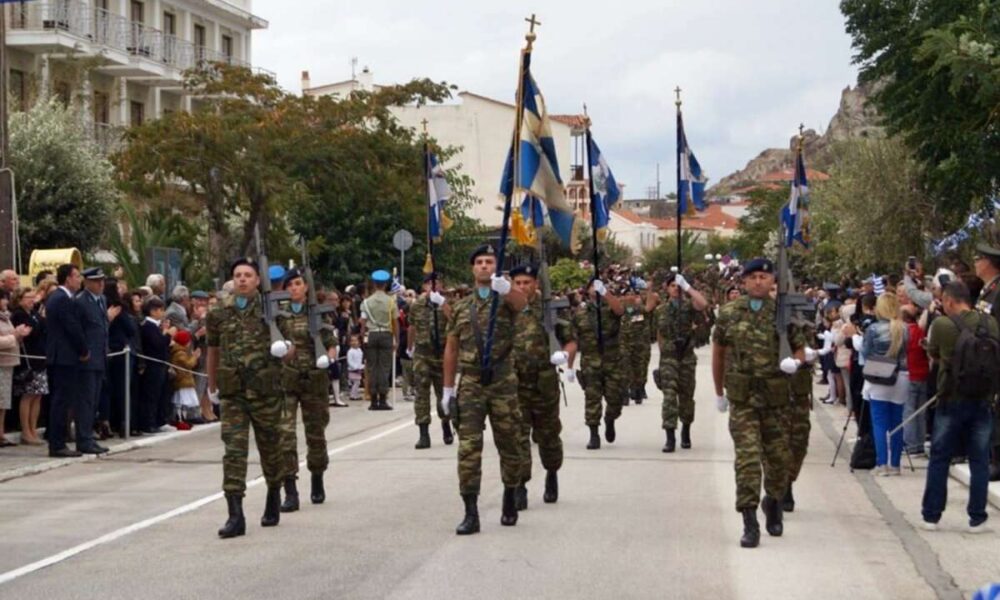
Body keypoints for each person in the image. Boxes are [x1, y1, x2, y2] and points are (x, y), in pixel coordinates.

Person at [712, 258, 805, 549]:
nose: (758, 282)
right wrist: (718, 392)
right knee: (748, 460)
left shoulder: (784, 314)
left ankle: (773, 501)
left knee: (779, 461)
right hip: (743, 400)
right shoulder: (728, 313)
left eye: (764, 277)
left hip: (776, 399)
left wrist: (795, 362)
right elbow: (719, 354)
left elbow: (802, 349)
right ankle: (749, 521)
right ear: (744, 281)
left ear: (772, 282)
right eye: (753, 277)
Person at [442, 244, 528, 535]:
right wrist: (447, 388)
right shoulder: (461, 307)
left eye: (489, 261)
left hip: (502, 382)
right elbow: (452, 347)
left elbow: (523, 305)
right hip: (471, 385)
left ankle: (509, 496)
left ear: (496, 266)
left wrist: (506, 289)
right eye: (478, 261)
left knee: (510, 442)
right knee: (468, 449)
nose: (483, 266)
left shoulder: (505, 298)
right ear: (472, 268)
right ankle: (470, 512)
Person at [207, 257, 290, 539]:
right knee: (234, 451)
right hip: (233, 394)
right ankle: (235, 514)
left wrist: (283, 349)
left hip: (265, 392)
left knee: (270, 447)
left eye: (248, 275)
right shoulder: (219, 312)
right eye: (238, 275)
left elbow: (290, 349)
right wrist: (212, 385)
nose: (242, 279)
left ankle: (272, 493)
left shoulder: (274, 312)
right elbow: (213, 350)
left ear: (257, 281)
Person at [921, 280, 1000, 532]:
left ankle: (932, 515)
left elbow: (933, 354)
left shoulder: (942, 324)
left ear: (950, 301)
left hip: (951, 398)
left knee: (940, 457)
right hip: (983, 400)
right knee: (979, 460)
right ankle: (977, 517)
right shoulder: (991, 323)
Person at [510, 263, 573, 508]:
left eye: (527, 282)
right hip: (515, 384)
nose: (523, 286)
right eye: (518, 283)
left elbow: (570, 341)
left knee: (548, 436)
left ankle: (552, 473)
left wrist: (564, 356)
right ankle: (520, 485)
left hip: (544, 384)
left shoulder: (550, 309)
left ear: (536, 284)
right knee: (518, 437)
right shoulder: (506, 308)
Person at [275, 268, 337, 512]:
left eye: (298, 284)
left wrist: (328, 359)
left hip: (314, 381)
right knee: (285, 435)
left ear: (306, 287)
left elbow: (332, 345)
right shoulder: (279, 315)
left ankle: (317, 478)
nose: (294, 288)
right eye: (290, 285)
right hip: (287, 382)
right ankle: (290, 489)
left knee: (316, 434)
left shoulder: (318, 314)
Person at [648, 272, 708, 452]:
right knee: (669, 396)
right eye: (673, 285)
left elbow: (703, 304)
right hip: (669, 358)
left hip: (687, 357)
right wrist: (663, 350)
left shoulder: (689, 306)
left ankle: (686, 430)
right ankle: (670, 436)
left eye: (678, 285)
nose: (676, 288)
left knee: (687, 398)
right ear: (667, 288)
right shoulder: (661, 310)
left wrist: (688, 288)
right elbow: (658, 333)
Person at [567, 277, 625, 450]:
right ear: (587, 290)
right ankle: (593, 434)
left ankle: (610, 419)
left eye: (598, 285)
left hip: (612, 361)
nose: (595, 288)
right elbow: (573, 340)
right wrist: (569, 366)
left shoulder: (611, 307)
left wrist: (606, 292)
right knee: (592, 399)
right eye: (592, 286)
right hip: (590, 362)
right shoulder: (580, 313)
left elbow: (620, 310)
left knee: (615, 399)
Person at [861, 293, 909, 476]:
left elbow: (866, 353)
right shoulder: (904, 328)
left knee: (879, 422)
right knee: (897, 421)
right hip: (902, 375)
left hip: (879, 375)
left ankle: (882, 463)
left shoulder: (873, 329)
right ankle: (896, 464)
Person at [45, 264, 89, 458]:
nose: (80, 280)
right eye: (77, 276)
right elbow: (72, 327)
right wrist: (83, 349)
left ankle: (58, 441)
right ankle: (57, 443)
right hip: (64, 356)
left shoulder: (59, 298)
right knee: (61, 401)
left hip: (61, 355)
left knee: (61, 400)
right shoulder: (62, 299)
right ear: (67, 279)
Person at [74, 267, 118, 452]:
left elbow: (102, 327)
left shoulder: (101, 300)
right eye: (97, 281)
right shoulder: (80, 302)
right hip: (87, 359)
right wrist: (83, 351)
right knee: (85, 400)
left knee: (94, 400)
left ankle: (89, 437)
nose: (101, 284)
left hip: (100, 357)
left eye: (102, 280)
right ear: (87, 282)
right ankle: (83, 439)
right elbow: (78, 331)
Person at [409, 272, 453, 449]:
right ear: (424, 287)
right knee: (421, 393)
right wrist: (409, 346)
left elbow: (455, 321)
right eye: (429, 284)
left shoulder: (447, 304)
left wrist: (443, 304)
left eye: (437, 284)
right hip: (422, 354)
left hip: (442, 354)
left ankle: (446, 423)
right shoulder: (417, 305)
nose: (433, 287)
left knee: (443, 394)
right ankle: (423, 433)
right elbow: (412, 325)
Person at [972, 243, 1000, 481]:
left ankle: (997, 460)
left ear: (989, 262)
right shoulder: (987, 290)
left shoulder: (998, 290)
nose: (975, 263)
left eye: (978, 259)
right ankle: (992, 456)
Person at [11, 287, 47, 445]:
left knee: (37, 395)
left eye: (33, 297)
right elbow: (31, 329)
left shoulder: (34, 313)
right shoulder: (19, 314)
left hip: (39, 359)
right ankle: (26, 430)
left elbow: (42, 327)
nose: (32, 300)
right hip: (28, 360)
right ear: (20, 299)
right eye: (28, 297)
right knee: (28, 395)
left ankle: (33, 429)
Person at [360, 270, 397, 410]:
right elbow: (395, 322)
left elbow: (363, 322)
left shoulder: (366, 302)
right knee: (384, 367)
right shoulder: (390, 302)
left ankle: (373, 399)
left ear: (374, 284)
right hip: (386, 334)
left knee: (372, 367)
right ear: (386, 284)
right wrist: (396, 339)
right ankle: (382, 398)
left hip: (371, 334)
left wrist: (363, 336)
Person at [0, 289, 33, 446]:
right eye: (3, 299)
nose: (6, 302)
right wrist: (14, 335)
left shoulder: (6, 317)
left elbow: (11, 337)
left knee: (4, 402)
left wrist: (19, 335)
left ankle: (1, 434)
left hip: (9, 362)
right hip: (1, 361)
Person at [138, 296, 174, 434]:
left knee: (159, 394)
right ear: (153, 311)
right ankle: (148, 423)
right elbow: (158, 344)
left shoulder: (155, 326)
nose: (162, 312)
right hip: (153, 364)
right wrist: (167, 334)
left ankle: (158, 420)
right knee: (151, 395)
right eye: (160, 310)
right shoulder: (148, 326)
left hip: (160, 364)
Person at [168, 329, 200, 429]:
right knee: (181, 402)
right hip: (182, 380)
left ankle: (183, 419)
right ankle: (180, 420)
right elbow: (188, 364)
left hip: (185, 380)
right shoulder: (180, 353)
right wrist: (195, 357)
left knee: (184, 403)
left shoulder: (182, 351)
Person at [346, 335, 364, 400]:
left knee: (358, 382)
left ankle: (355, 394)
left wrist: (361, 366)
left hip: (358, 369)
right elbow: (349, 361)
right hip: (353, 370)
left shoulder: (359, 350)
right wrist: (355, 367)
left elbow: (360, 360)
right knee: (356, 382)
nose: (354, 342)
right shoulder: (350, 351)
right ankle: (353, 395)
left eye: (355, 340)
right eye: (352, 341)